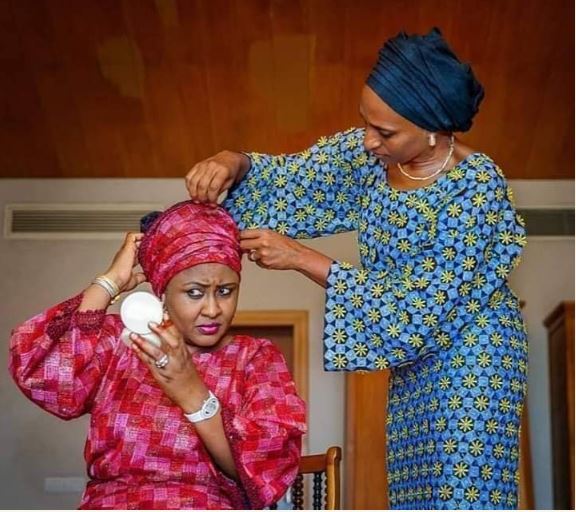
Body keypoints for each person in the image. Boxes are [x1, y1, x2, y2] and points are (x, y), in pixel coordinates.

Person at [185, 28, 528, 510]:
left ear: (434, 128)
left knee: (460, 492)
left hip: (471, 354)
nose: (368, 140)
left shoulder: (476, 187)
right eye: (366, 122)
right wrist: (234, 162)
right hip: (413, 362)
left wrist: (301, 258)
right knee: (415, 494)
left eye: (385, 132)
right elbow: (293, 180)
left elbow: (425, 303)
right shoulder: (371, 158)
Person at [9, 201, 306, 509]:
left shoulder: (255, 359)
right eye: (194, 292)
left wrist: (190, 390)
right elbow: (40, 369)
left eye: (225, 291)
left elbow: (263, 472)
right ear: (161, 293)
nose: (212, 309)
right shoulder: (122, 343)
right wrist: (109, 284)